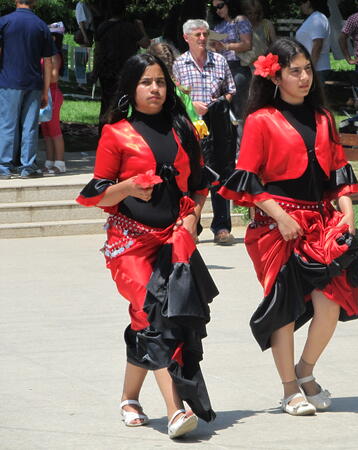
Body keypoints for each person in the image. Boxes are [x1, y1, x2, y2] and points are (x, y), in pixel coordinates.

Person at [219, 38, 358, 416]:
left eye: (307, 69)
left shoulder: (323, 117)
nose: (304, 77)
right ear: (276, 76)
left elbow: (339, 172)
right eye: (294, 71)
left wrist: (348, 212)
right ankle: (290, 389)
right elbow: (248, 179)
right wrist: (281, 217)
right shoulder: (260, 120)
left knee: (331, 304)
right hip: (275, 228)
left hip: (320, 225)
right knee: (283, 308)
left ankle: (305, 370)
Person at [76, 53, 218, 439]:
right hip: (130, 243)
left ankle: (128, 397)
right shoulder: (116, 133)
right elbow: (97, 196)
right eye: (145, 82)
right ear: (131, 88)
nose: (155, 89)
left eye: (159, 81)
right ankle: (176, 410)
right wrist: (128, 187)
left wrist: (193, 218)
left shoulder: (182, 128)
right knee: (153, 315)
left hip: (175, 241)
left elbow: (200, 184)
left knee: (151, 319)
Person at [173, 19, 237, 246]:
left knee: (220, 173)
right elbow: (176, 96)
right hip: (192, 127)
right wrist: (192, 105)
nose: (202, 38)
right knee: (193, 175)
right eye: (197, 34)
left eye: (204, 34)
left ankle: (222, 228)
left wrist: (217, 102)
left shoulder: (219, 61)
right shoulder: (179, 64)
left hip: (218, 124)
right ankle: (193, 227)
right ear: (186, 38)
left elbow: (231, 91)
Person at [0, 0, 55, 179]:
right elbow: (48, 61)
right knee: (30, 126)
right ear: (35, 3)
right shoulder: (41, 26)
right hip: (33, 83)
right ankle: (27, 166)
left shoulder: (5, 22)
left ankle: (4, 166)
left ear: (16, 1)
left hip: (8, 81)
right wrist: (46, 90)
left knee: (7, 124)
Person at [93, 1, 150, 133]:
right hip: (125, 70)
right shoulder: (130, 28)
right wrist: (141, 27)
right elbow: (146, 44)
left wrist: (95, 71)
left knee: (106, 102)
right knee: (123, 103)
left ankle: (104, 132)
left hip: (106, 70)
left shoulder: (102, 27)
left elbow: (98, 50)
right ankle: (120, 132)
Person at [210, 0, 253, 120]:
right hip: (221, 69)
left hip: (238, 68)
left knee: (240, 111)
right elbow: (215, 48)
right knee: (227, 112)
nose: (218, 10)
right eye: (214, 8)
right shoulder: (218, 25)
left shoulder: (240, 20)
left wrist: (226, 46)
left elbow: (247, 44)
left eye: (220, 6)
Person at [41, 22, 66, 175]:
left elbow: (54, 77)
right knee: (46, 129)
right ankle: (49, 161)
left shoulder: (54, 55)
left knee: (54, 129)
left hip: (52, 93)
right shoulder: (46, 54)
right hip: (44, 92)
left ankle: (60, 162)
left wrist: (43, 75)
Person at [296, 0, 331, 83]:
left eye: (301, 3)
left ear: (308, 2)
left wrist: (310, 68)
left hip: (317, 69)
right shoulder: (313, 18)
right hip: (310, 68)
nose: (300, 7)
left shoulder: (318, 19)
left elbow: (317, 45)